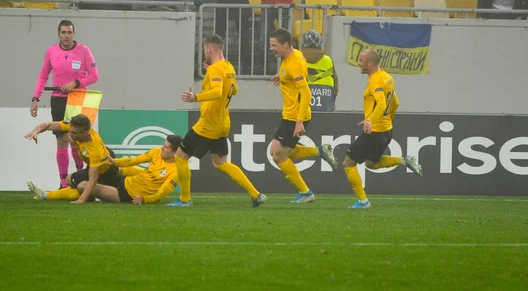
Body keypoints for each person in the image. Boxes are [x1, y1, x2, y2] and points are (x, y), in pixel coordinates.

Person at [167, 35, 267, 207]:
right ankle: (256, 194)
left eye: (205, 50)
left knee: (181, 157)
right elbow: (233, 90)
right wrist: (210, 73)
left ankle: (184, 199)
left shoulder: (215, 70)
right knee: (221, 163)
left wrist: (196, 97)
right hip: (223, 123)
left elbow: (218, 91)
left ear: (209, 50)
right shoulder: (228, 68)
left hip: (207, 125)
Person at [333, 49, 423, 209]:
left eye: (361, 60)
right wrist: (388, 120)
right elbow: (395, 102)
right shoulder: (387, 77)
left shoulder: (375, 80)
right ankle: (403, 160)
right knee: (371, 164)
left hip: (374, 131)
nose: (358, 63)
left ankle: (363, 201)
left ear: (370, 63)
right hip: (386, 130)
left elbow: (381, 103)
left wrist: (370, 121)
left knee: (348, 163)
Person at [268, 28, 337, 203]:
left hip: (295, 116)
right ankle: (320, 151)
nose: (271, 48)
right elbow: (295, 76)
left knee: (278, 155)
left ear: (285, 45)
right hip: (291, 114)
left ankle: (306, 192)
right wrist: (281, 76)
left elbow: (306, 93)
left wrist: (299, 122)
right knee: (277, 152)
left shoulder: (295, 62)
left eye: (274, 45)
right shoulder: (293, 55)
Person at [30, 20, 100, 189]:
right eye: (63, 33)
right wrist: (35, 98)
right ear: (58, 34)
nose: (66, 36)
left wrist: (75, 83)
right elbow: (42, 76)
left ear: (73, 34)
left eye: (69, 32)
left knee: (76, 141)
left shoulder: (84, 51)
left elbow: (94, 76)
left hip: (78, 99)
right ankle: (63, 182)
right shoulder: (51, 51)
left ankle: (78, 175)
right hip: (58, 99)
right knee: (62, 141)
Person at [27, 135, 183, 205]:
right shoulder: (156, 152)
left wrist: (144, 199)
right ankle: (52, 193)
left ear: (175, 152)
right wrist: (115, 162)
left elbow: (160, 194)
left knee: (83, 186)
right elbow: (134, 160)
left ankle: (46, 196)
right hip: (125, 182)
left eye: (166, 148)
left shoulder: (176, 171)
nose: (162, 148)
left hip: (127, 195)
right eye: (164, 145)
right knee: (99, 173)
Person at [24, 114, 122, 204]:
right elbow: (48, 125)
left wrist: (80, 200)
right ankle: (92, 196)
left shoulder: (94, 151)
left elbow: (93, 180)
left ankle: (46, 195)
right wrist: (35, 131)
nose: (70, 134)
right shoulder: (73, 127)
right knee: (69, 180)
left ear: (85, 133)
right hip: (99, 160)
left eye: (74, 133)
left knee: (82, 186)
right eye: (71, 131)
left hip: (106, 168)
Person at [300, 30, 338, 112]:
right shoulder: (328, 60)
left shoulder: (298, 60)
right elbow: (336, 85)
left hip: (302, 111)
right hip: (326, 108)